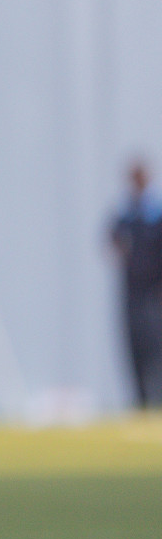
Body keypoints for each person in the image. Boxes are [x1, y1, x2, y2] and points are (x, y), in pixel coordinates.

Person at [110, 158, 162, 409]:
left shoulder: (156, 212)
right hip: (132, 293)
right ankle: (141, 404)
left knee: (156, 348)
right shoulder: (126, 213)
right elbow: (112, 239)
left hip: (155, 294)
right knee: (135, 350)